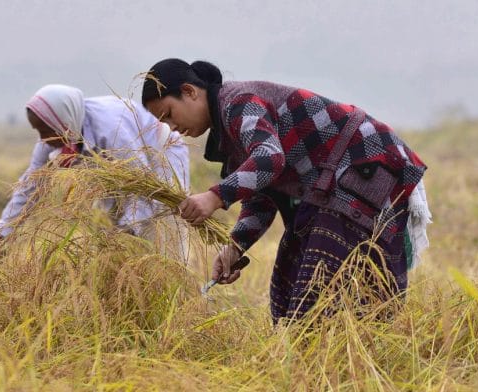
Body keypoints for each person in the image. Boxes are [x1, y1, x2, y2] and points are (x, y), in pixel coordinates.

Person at [141, 59, 430, 322]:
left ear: (190, 92)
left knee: (318, 293)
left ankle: (339, 364)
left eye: (169, 114)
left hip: (366, 164)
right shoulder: (227, 133)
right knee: (289, 289)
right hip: (329, 185)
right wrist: (235, 247)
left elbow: (269, 158)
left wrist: (214, 196)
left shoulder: (238, 102)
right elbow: (261, 192)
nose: (172, 128)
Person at [0, 84, 190, 261]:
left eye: (45, 131)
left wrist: (129, 230)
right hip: (121, 172)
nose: (43, 139)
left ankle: (180, 289)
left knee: (163, 226)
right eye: (39, 131)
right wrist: (3, 233)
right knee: (107, 229)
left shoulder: (111, 129)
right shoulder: (55, 131)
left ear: (64, 121)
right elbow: (30, 185)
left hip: (160, 154)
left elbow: (143, 184)